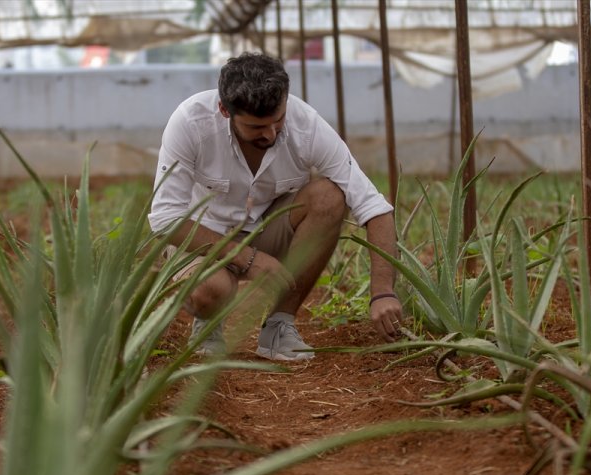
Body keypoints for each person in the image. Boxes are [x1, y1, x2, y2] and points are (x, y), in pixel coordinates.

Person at [148, 52, 402, 361]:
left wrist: (382, 290)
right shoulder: (191, 123)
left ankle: (280, 325)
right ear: (225, 110)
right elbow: (166, 218)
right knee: (210, 290)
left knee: (329, 196)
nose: (270, 133)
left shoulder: (306, 125)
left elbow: (373, 205)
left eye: (278, 120)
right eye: (256, 127)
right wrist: (249, 259)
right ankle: (208, 324)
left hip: (268, 230)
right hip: (205, 238)